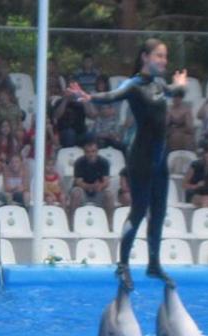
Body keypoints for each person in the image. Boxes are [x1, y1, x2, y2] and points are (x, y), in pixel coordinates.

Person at [68, 38, 188, 289]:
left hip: (160, 159)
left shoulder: (158, 84)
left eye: (165, 57)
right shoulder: (134, 85)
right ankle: (122, 266)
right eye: (159, 56)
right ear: (145, 57)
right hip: (141, 159)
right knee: (138, 211)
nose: (164, 61)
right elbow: (112, 95)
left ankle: (153, 265)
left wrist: (179, 85)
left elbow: (175, 92)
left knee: (159, 213)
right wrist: (88, 96)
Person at [68, 135, 115, 225]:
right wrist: (92, 186)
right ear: (84, 152)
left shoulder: (104, 163)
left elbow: (106, 181)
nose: (91, 154)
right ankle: (72, 224)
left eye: (93, 151)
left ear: (97, 151)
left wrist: (100, 186)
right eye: (88, 152)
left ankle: (110, 225)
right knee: (75, 193)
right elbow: (78, 182)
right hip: (83, 192)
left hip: (98, 192)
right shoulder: (79, 162)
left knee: (109, 195)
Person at [182, 142, 208, 208]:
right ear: (204, 154)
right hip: (195, 193)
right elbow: (184, 185)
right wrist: (196, 186)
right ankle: (203, 217)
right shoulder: (195, 165)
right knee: (206, 199)